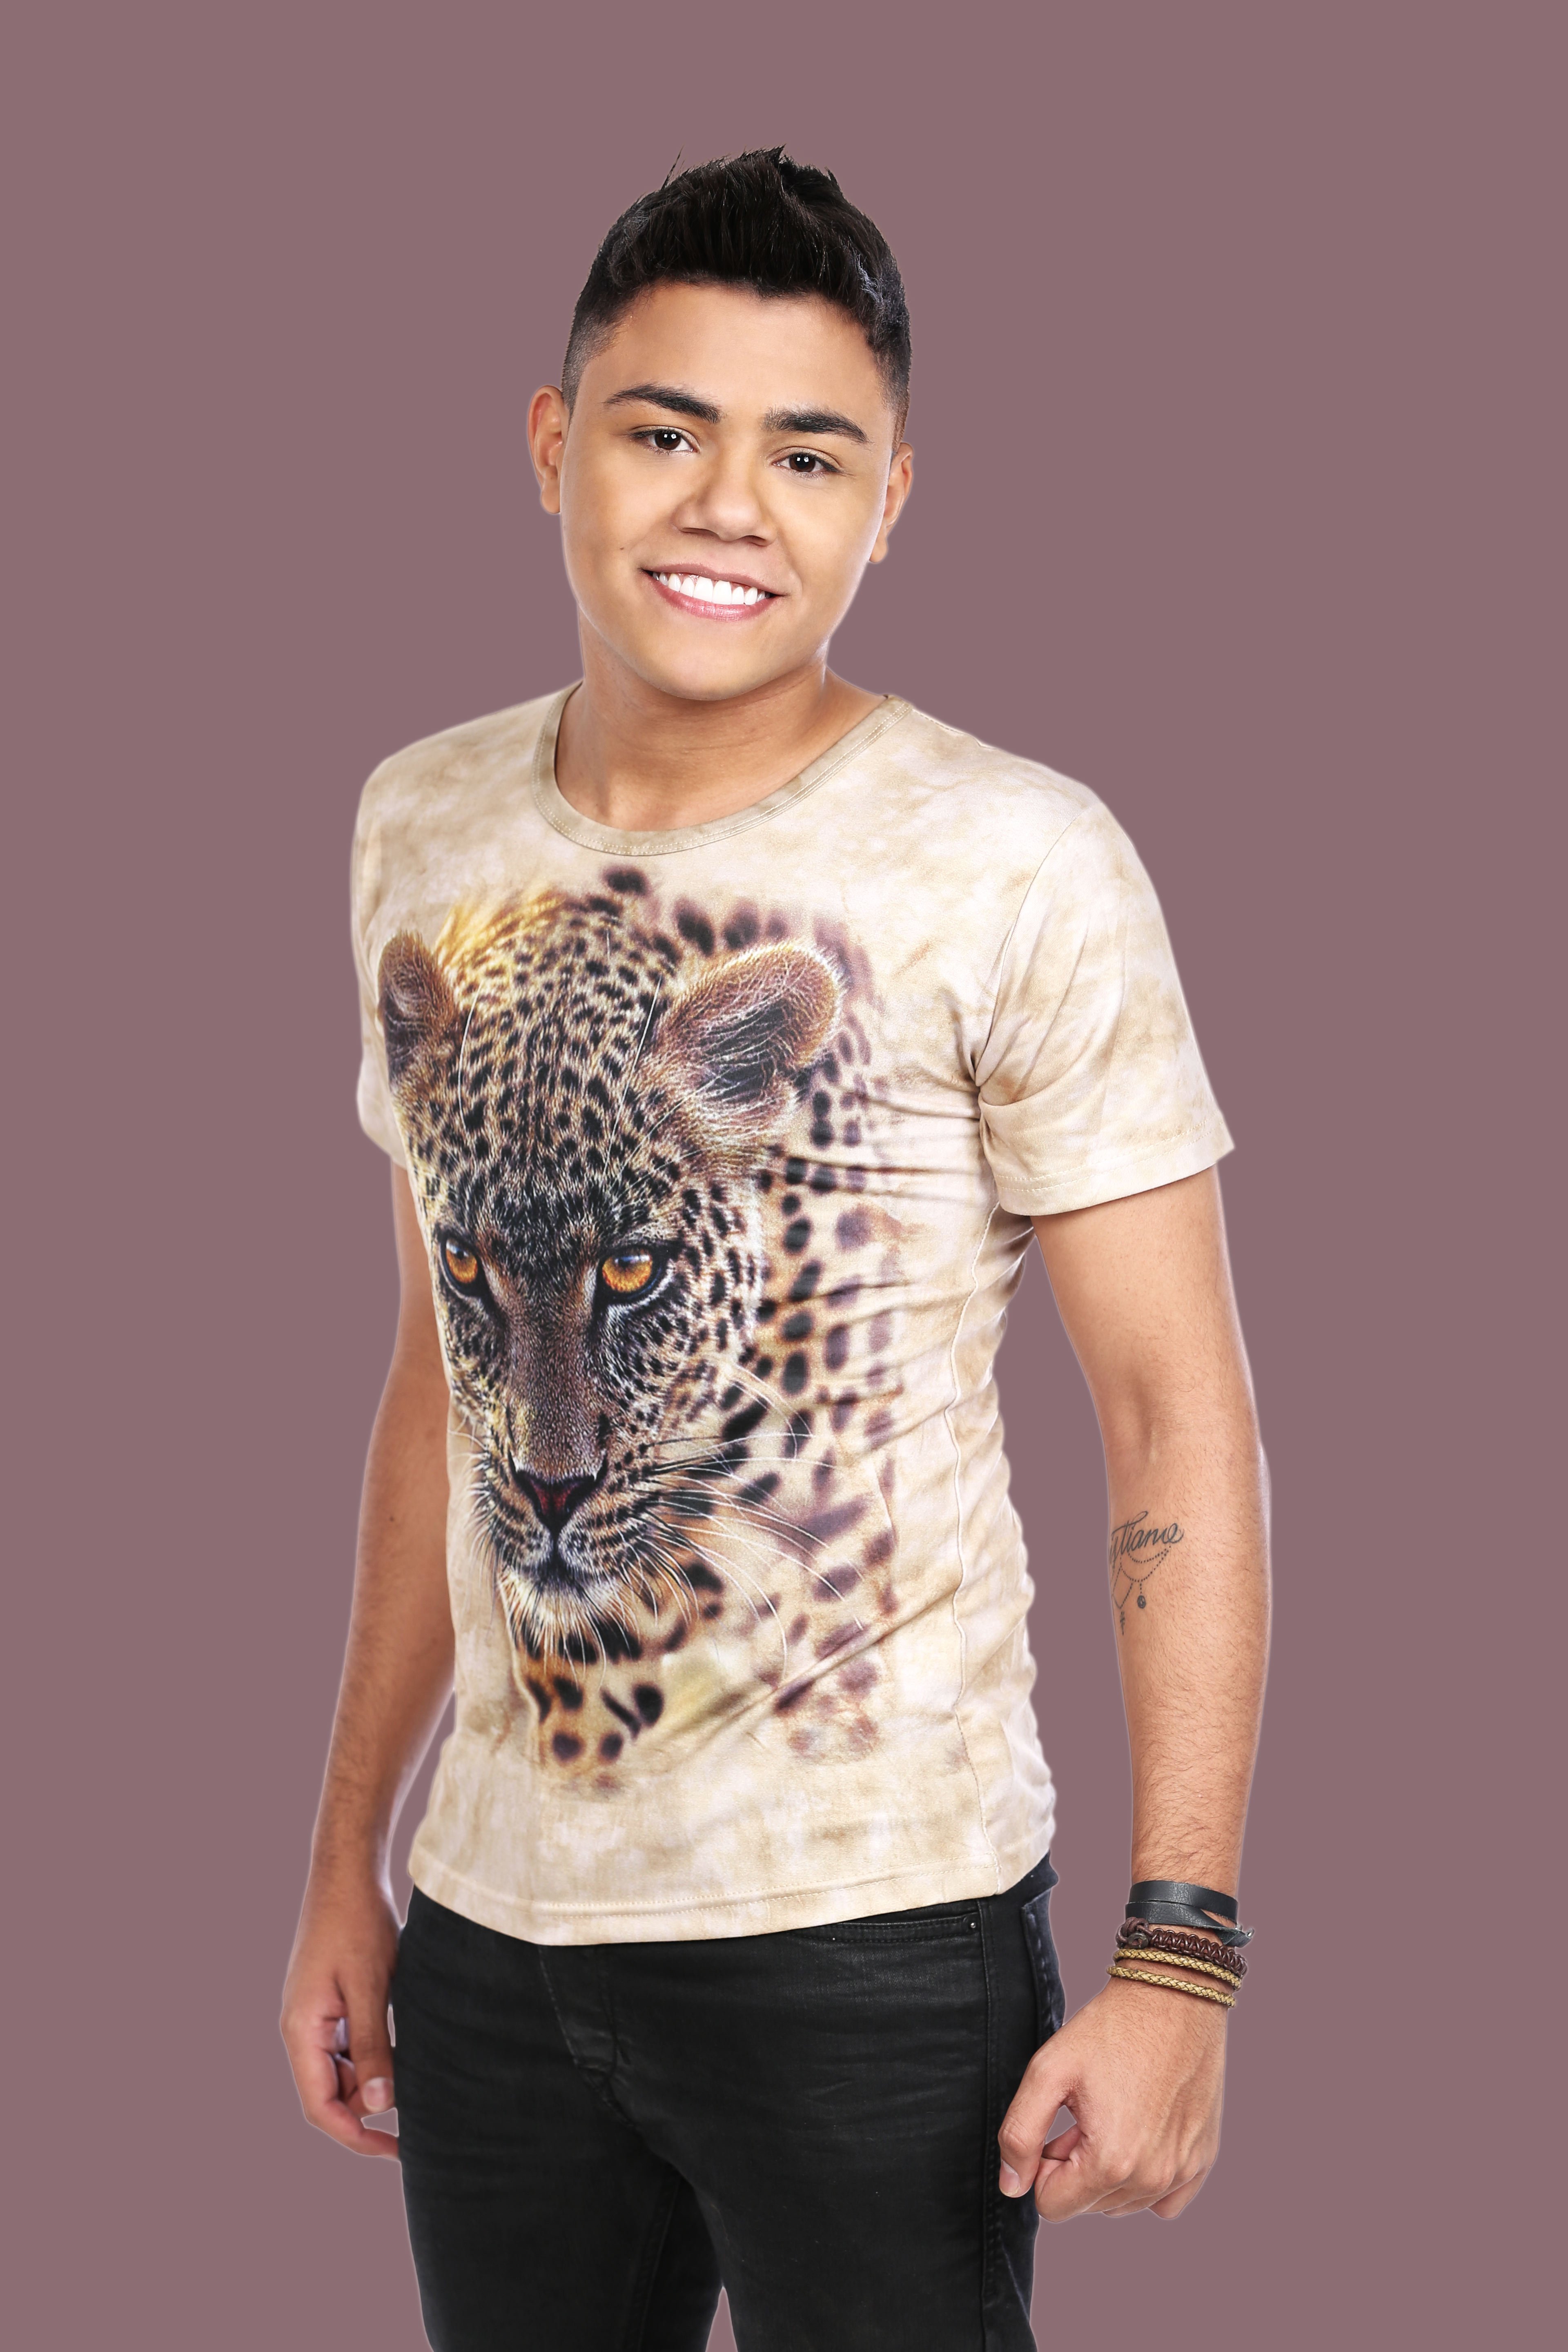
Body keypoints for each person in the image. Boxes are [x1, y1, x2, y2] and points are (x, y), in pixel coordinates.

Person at [281, 150, 1270, 2352]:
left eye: (808, 455)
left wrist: (1179, 1954)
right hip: (498, 1936)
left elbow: (1169, 1412)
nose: (730, 506)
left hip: (872, 1938)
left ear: (890, 499)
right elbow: (443, 1376)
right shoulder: (419, 825)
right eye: (667, 430)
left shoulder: (1019, 858)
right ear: (555, 444)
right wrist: (348, 1857)